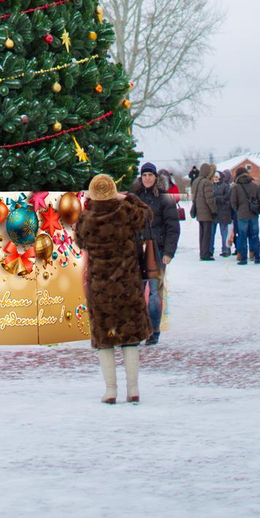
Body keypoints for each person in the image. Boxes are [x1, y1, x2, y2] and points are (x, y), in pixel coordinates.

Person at [75, 173, 153, 403]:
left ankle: (110, 390)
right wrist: (127, 197)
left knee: (105, 339)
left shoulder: (86, 219)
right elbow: (148, 214)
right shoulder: (127, 212)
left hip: (101, 288)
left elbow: (81, 242)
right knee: (130, 338)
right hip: (127, 285)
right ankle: (133, 389)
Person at [129, 162, 179, 345]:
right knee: (136, 292)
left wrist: (168, 251)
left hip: (155, 250)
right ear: (141, 178)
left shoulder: (164, 199)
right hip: (137, 249)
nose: (147, 178)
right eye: (144, 176)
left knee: (154, 293)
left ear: (155, 177)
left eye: (150, 175)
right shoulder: (135, 198)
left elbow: (173, 227)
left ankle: (153, 331)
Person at [230, 165, 260, 264]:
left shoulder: (236, 188)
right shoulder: (254, 186)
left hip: (242, 215)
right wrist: (259, 210)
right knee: (255, 236)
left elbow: (233, 202)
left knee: (242, 236)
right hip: (253, 215)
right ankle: (257, 257)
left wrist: (238, 210)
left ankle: (243, 258)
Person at [192, 161, 218, 261]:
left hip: (199, 210)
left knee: (202, 233)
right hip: (206, 211)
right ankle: (205, 254)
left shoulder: (195, 181)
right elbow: (209, 199)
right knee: (207, 234)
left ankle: (202, 252)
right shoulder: (207, 182)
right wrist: (214, 210)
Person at [212, 168, 233, 257]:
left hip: (224, 212)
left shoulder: (225, 186)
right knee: (212, 233)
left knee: (224, 232)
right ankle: (210, 250)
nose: (215, 178)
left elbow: (227, 197)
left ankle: (226, 249)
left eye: (217, 177)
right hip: (214, 212)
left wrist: (217, 199)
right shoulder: (211, 186)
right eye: (214, 177)